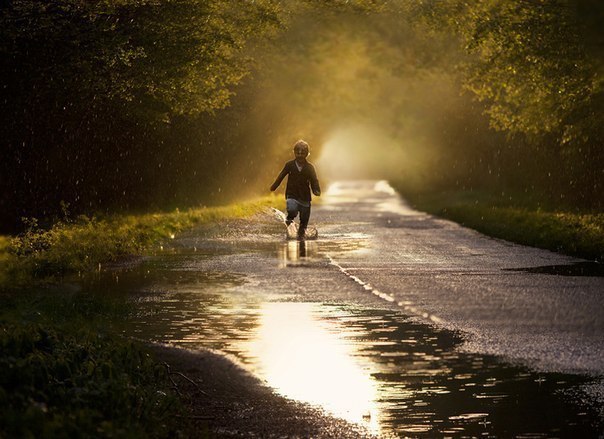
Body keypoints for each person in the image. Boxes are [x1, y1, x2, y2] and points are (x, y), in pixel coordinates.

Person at [270, 139, 321, 239]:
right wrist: (274, 186)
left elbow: (314, 180)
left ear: (307, 154)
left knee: (304, 220)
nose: (300, 155)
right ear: (294, 153)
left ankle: (301, 235)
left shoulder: (310, 167)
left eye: (303, 153)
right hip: (291, 194)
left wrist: (316, 190)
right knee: (292, 208)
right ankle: (290, 218)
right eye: (298, 153)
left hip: (305, 197)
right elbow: (281, 176)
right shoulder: (289, 165)